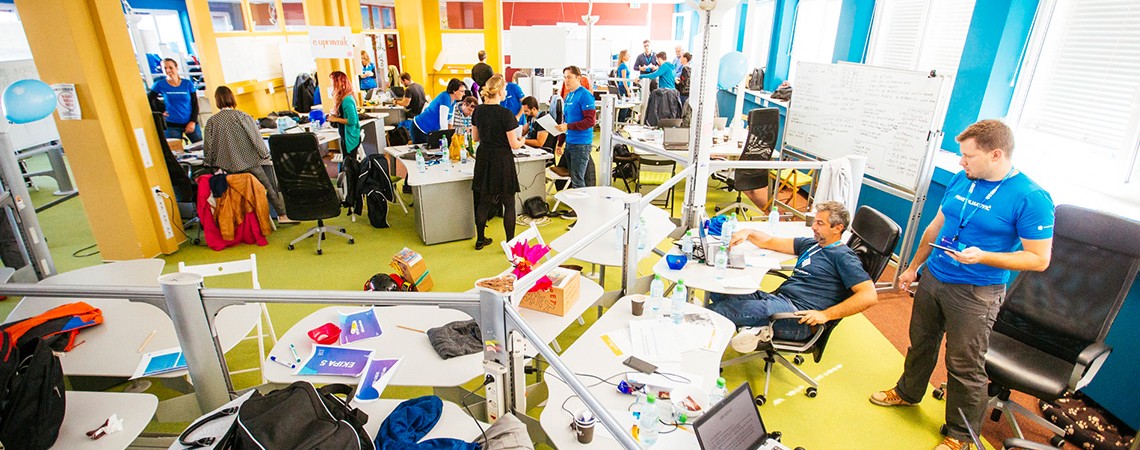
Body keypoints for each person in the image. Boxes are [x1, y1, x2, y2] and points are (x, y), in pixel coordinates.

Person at [869, 120, 1055, 450]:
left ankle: (961, 435)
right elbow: (937, 226)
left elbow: (1038, 259)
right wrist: (913, 267)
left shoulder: (1031, 197)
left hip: (976, 292)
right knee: (921, 343)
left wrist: (984, 256)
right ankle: (908, 392)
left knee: (964, 365)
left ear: (996, 155)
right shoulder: (963, 178)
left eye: (968, 156)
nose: (961, 161)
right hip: (934, 277)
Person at [712, 201, 877, 352]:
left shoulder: (843, 256)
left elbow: (869, 296)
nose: (814, 227)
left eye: (820, 223)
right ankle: (756, 329)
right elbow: (768, 241)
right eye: (815, 221)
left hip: (797, 316)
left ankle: (756, 329)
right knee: (718, 291)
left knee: (719, 311)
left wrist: (826, 315)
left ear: (837, 228)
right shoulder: (811, 244)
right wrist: (747, 232)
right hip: (778, 300)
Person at [202, 86, 293, 224]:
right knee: (268, 187)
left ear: (217, 101)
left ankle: (244, 220)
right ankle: (282, 215)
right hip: (250, 162)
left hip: (227, 167)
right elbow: (256, 139)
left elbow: (208, 147)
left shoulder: (212, 121)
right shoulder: (242, 116)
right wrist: (265, 155)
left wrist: (209, 163)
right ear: (232, 98)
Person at [471, 74, 524, 250]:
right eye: (505, 89)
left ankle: (480, 240)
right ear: (500, 91)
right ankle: (510, 244)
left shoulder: (478, 111)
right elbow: (514, 144)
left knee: (484, 200)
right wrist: (522, 141)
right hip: (502, 160)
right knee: (508, 203)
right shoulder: (506, 114)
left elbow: (475, 137)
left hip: (484, 158)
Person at [326, 71, 364, 216]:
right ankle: (350, 196)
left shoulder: (347, 100)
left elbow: (352, 121)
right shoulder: (345, 98)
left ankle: (353, 198)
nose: (331, 85)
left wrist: (335, 119)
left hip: (350, 139)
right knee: (348, 167)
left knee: (350, 169)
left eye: (333, 82)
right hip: (347, 137)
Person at [555, 66, 596, 191]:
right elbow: (566, 121)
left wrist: (568, 126)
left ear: (578, 78)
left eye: (569, 77)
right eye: (565, 77)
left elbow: (590, 121)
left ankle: (582, 203)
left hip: (581, 144)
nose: (566, 81)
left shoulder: (585, 95)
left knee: (578, 180)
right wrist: (560, 142)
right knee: (574, 178)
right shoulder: (568, 96)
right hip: (570, 142)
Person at [150, 58, 201, 143]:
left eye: (170, 67)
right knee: (175, 149)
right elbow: (148, 99)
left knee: (201, 146)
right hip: (172, 125)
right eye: (165, 68)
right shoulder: (159, 84)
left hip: (190, 122)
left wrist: (193, 121)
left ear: (176, 68)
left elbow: (195, 104)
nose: (168, 70)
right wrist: (160, 111)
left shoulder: (187, 84)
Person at [411, 78, 467, 144]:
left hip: (431, 130)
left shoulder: (453, 101)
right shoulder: (445, 97)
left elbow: (450, 121)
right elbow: (443, 121)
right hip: (420, 128)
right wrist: (447, 140)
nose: (464, 94)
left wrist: (451, 136)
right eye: (462, 91)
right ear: (454, 91)